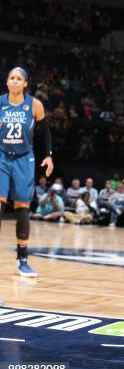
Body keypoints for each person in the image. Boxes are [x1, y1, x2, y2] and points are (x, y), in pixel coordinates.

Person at [0, 67, 53, 277]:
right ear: (7, 82)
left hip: (24, 159)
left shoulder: (34, 105)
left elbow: (45, 131)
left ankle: (22, 259)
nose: (14, 81)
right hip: (2, 156)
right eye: (11, 78)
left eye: (18, 78)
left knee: (22, 206)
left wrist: (48, 156)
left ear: (25, 84)